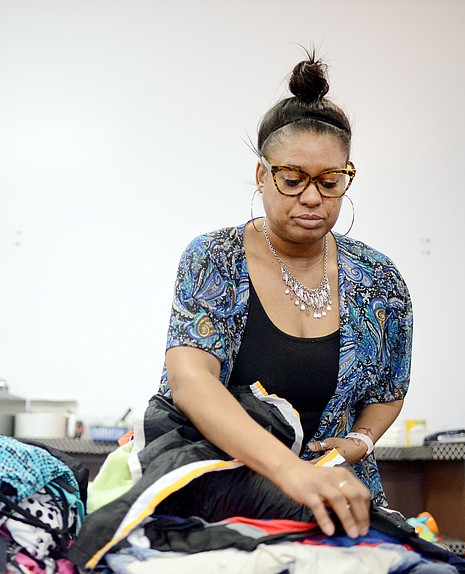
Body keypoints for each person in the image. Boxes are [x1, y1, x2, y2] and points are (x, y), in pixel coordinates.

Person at [156, 52, 413, 540]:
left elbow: (389, 390)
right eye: (292, 179)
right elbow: (192, 380)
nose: (312, 196)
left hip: (336, 503)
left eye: (330, 181)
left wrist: (360, 441)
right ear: (261, 176)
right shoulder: (215, 259)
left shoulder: (378, 277)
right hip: (219, 494)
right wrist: (290, 472)